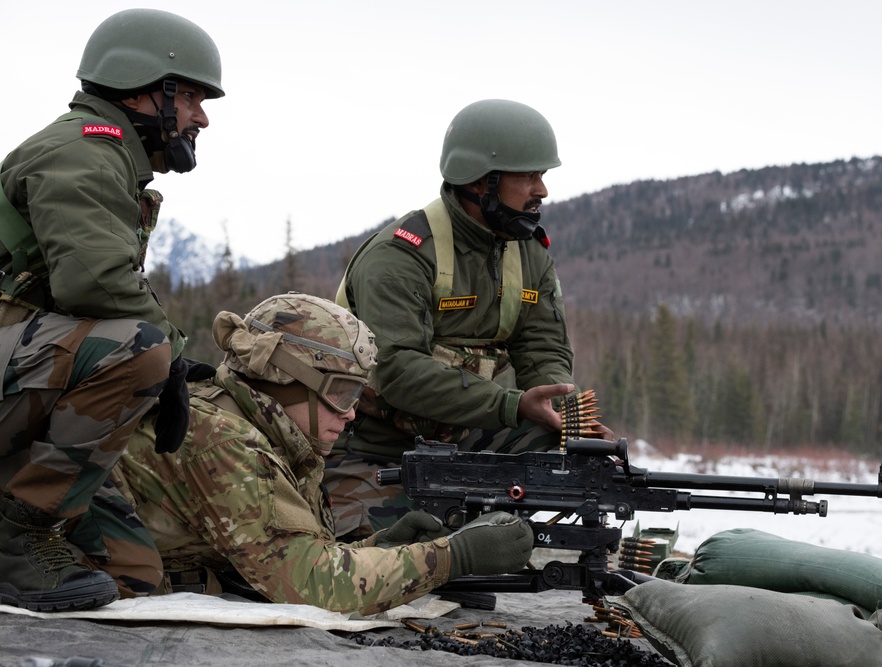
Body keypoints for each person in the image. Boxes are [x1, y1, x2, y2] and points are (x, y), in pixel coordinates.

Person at [0, 9, 223, 612]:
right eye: (195, 97)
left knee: (131, 574)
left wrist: (175, 361)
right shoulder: (81, 151)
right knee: (137, 349)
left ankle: (27, 526)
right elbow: (94, 282)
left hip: (14, 378)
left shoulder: (109, 159)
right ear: (144, 88)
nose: (202, 117)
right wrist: (168, 356)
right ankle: (13, 536)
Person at [116, 293, 534, 615]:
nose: (352, 413)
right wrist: (453, 557)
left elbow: (301, 554)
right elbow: (312, 586)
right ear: (284, 380)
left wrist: (383, 546)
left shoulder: (266, 432)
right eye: (340, 392)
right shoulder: (224, 442)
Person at [328, 99, 612, 539]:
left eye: (543, 176)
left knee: (562, 456)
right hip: (371, 446)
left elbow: (542, 350)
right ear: (481, 181)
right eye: (529, 176)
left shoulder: (529, 254)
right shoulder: (402, 255)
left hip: (463, 440)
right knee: (390, 561)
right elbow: (399, 370)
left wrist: (563, 415)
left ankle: (481, 530)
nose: (542, 191)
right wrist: (510, 405)